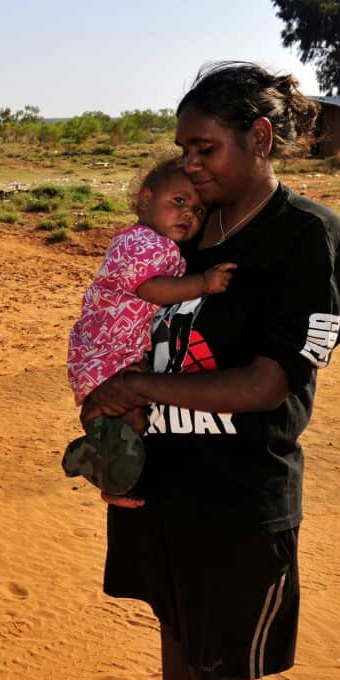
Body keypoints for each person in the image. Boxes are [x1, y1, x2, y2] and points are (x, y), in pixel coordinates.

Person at [86, 62, 340, 680]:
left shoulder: (308, 237)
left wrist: (142, 389)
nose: (192, 165)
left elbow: (267, 385)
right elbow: (121, 318)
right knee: (177, 643)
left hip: (237, 500)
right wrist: (104, 397)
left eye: (205, 148)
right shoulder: (183, 233)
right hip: (162, 487)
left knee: (218, 672)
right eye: (185, 150)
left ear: (260, 139)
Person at [62, 157, 235, 494]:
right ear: (145, 199)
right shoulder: (143, 243)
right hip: (111, 349)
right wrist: (203, 283)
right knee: (128, 413)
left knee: (130, 419)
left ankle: (98, 455)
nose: (188, 214)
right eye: (179, 201)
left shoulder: (148, 241)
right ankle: (98, 456)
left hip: (111, 347)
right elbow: (149, 289)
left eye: (199, 210)